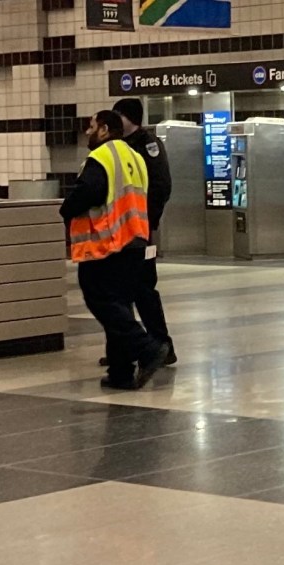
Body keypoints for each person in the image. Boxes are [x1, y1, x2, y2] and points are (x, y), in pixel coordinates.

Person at [60, 110, 170, 391]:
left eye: (92, 126)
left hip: (107, 243)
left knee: (101, 301)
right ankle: (121, 372)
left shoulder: (102, 157)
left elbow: (90, 191)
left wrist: (67, 207)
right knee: (120, 305)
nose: (88, 132)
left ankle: (147, 348)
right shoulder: (134, 156)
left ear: (106, 130)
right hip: (134, 240)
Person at [113, 97, 176, 366]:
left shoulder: (148, 144)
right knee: (120, 291)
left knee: (144, 289)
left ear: (129, 118)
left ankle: (162, 344)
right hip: (120, 232)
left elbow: (161, 186)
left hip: (141, 231)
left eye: (119, 115)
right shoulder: (118, 146)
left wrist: (150, 223)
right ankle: (125, 348)